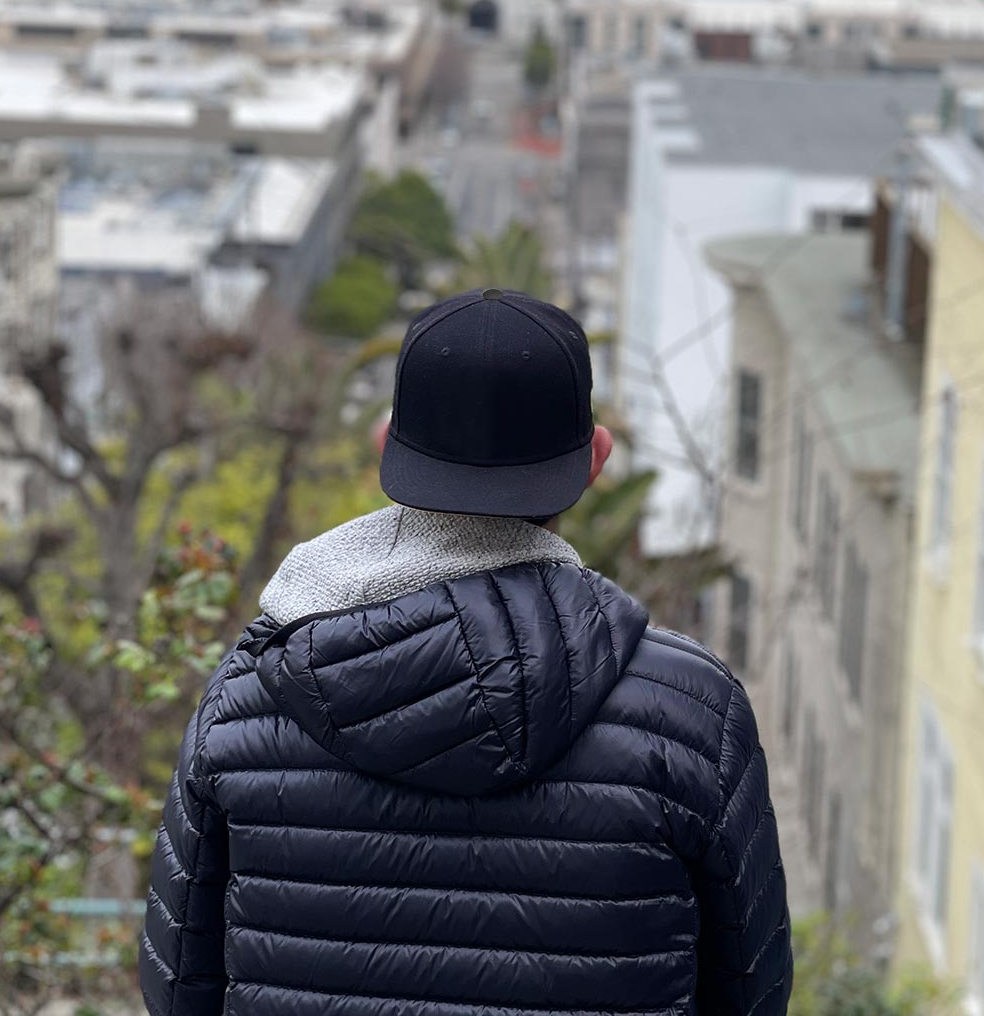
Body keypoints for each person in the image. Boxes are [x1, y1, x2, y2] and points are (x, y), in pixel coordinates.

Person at [139, 288, 792, 1016]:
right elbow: (752, 990)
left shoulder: (249, 698)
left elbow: (178, 987)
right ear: (595, 460)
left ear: (386, 446)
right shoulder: (694, 714)